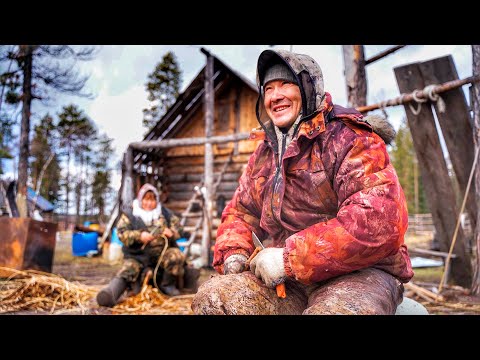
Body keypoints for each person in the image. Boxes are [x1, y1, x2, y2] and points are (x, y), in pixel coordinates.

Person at [192, 49, 414, 315]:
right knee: (216, 299)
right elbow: (241, 212)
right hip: (287, 280)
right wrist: (234, 253)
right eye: (269, 88)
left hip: (359, 274)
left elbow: (379, 221)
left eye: (286, 84)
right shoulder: (264, 153)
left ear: (309, 88)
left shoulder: (350, 138)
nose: (275, 96)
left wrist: (289, 258)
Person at [97, 183, 186, 307]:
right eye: (146, 199)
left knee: (176, 256)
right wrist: (139, 236)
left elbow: (180, 229)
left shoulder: (164, 213)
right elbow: (121, 233)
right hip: (136, 257)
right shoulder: (130, 214)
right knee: (128, 270)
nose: (149, 203)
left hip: (160, 258)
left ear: (156, 200)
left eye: (152, 200)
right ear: (140, 200)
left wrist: (172, 232)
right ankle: (111, 293)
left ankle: (167, 286)